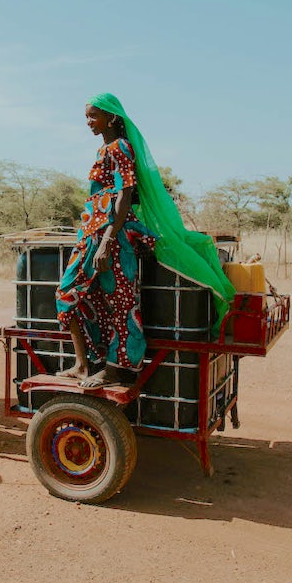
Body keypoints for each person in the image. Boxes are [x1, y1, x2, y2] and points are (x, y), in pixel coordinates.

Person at [55, 93, 237, 389]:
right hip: (94, 233)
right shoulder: (106, 148)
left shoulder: (120, 148)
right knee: (73, 295)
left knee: (121, 302)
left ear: (112, 117)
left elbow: (124, 195)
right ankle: (83, 363)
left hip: (112, 238)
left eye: (93, 116)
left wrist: (106, 242)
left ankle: (117, 369)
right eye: (87, 116)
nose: (88, 122)